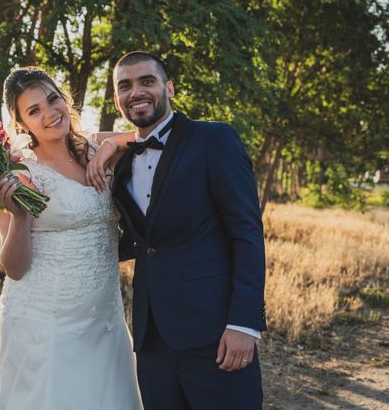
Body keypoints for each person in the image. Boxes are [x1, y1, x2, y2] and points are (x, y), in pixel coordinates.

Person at [87, 51, 267, 409]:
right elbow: (142, 240)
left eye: (147, 81)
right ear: (116, 98)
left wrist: (244, 324)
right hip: (152, 340)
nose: (136, 91)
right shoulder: (120, 164)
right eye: (125, 86)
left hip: (214, 334)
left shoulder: (213, 140)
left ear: (169, 87)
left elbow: (246, 233)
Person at [0, 67, 142, 410]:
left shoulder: (95, 146)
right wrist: (20, 214)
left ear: (65, 100)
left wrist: (109, 148)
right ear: (21, 125)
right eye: (34, 111)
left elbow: (153, 133)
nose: (49, 113)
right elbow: (14, 268)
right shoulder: (17, 173)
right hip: (46, 322)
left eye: (52, 99)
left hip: (103, 317)